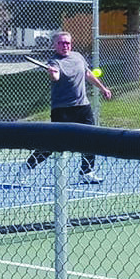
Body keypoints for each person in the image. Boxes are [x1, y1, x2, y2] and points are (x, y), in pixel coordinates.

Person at [20, 31, 112, 184]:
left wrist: (103, 88)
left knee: (91, 138)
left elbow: (88, 74)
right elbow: (55, 77)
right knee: (54, 144)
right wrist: (52, 73)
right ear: (55, 45)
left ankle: (86, 172)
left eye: (67, 43)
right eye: (61, 43)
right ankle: (28, 166)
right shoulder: (54, 62)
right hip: (62, 109)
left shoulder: (78, 57)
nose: (65, 46)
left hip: (83, 106)